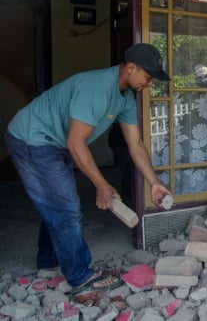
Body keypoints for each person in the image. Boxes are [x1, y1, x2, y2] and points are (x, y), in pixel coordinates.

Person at [4, 43, 173, 293]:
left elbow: (135, 144)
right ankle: (80, 276)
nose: (150, 84)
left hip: (54, 142)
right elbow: (76, 143)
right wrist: (102, 185)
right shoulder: (96, 89)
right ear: (131, 68)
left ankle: (48, 262)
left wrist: (154, 182)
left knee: (57, 203)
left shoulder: (125, 98)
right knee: (66, 208)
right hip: (32, 139)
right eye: (148, 78)